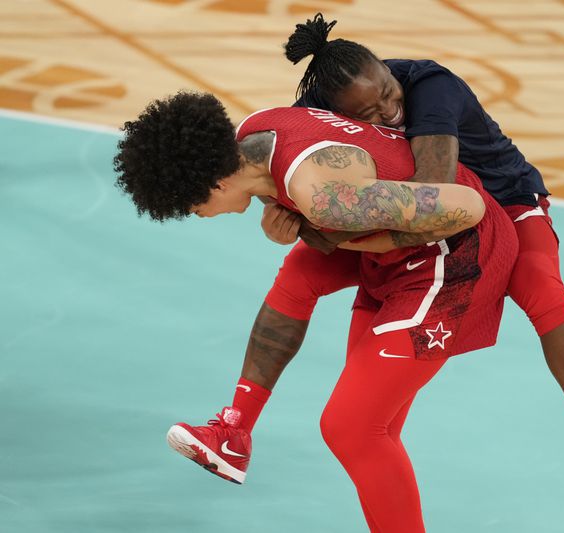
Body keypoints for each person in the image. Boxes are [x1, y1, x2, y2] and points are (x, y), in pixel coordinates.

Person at [176, 13, 564, 510]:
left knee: (539, 285)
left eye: (390, 95)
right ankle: (235, 429)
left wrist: (330, 227)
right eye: (370, 113)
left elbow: (433, 197)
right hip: (394, 214)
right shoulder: (311, 109)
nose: (389, 113)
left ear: (390, 73)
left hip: (492, 203)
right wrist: (283, 214)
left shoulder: (431, 89)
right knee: (299, 272)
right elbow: (278, 171)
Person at [114, 91, 518, 532]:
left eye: (190, 207)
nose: (196, 215)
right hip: (390, 248)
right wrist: (298, 220)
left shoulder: (323, 197)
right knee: (300, 279)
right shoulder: (257, 130)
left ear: (217, 184)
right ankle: (234, 431)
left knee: (352, 428)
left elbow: (466, 207)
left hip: (455, 256)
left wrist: (356, 239)